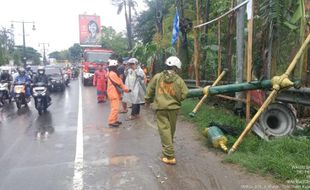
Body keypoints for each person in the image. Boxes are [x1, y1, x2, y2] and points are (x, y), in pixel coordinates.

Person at [145, 56, 188, 165]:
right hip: (173, 109)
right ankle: (168, 150)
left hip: (161, 108)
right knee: (170, 130)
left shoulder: (158, 77)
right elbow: (185, 94)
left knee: (164, 131)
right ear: (176, 68)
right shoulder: (179, 80)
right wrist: (178, 99)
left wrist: (148, 100)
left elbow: (150, 89)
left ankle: (169, 156)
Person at [107, 59, 130, 127]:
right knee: (115, 108)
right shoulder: (113, 74)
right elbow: (119, 83)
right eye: (116, 66)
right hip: (113, 93)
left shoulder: (111, 73)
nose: (117, 67)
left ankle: (114, 120)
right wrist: (127, 90)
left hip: (114, 93)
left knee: (116, 107)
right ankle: (111, 122)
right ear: (113, 66)